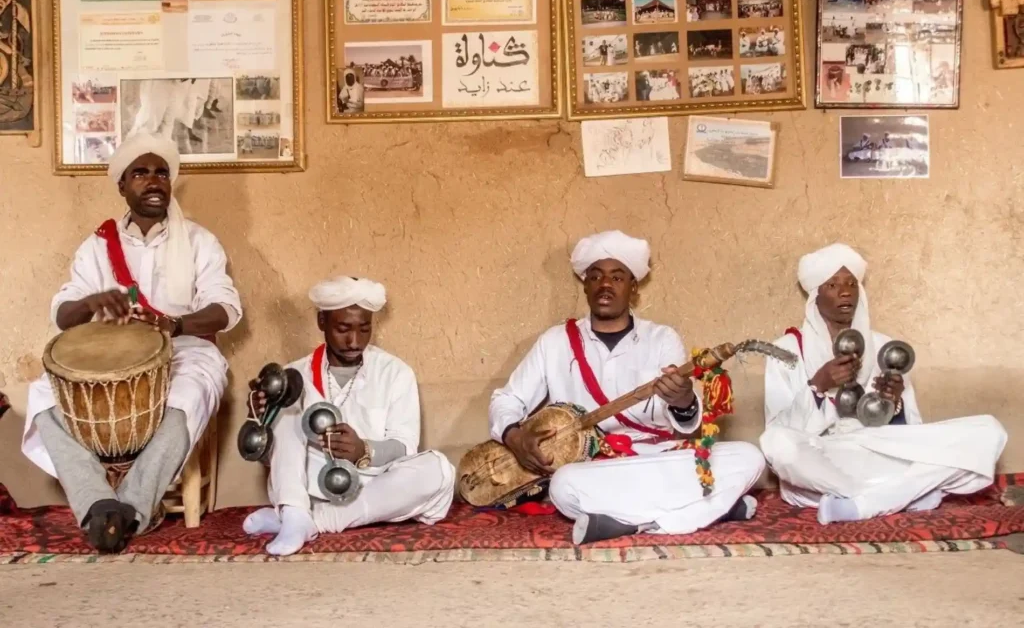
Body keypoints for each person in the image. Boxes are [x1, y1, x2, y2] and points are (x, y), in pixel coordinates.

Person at [21, 134, 242, 552]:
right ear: (122, 186)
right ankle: (99, 503)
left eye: (162, 172)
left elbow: (226, 308)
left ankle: (131, 509)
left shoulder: (198, 241)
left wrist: (172, 325)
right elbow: (62, 314)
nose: (153, 181)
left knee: (186, 396)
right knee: (41, 397)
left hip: (186, 351)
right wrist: (89, 303)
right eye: (140, 173)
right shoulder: (96, 246)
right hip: (111, 359)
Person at [489, 231, 765, 545]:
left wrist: (684, 399)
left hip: (657, 457)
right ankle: (712, 507)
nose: (605, 284)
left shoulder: (662, 338)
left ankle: (633, 524)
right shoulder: (555, 342)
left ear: (633, 288)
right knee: (564, 486)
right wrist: (514, 435)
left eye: (617, 277)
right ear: (586, 286)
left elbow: (687, 419)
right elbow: (507, 399)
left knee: (749, 456)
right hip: (595, 467)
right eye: (596, 276)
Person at [761, 243, 1007, 524]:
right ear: (815, 297)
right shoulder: (786, 351)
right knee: (777, 444)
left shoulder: (884, 347)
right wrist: (818, 384)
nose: (845, 292)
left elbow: (911, 432)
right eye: (832, 284)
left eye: (852, 284)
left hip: (877, 451)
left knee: (989, 432)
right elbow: (777, 432)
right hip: (825, 458)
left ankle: (865, 503)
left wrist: (896, 404)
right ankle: (902, 497)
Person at [243, 276, 456, 556]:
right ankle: (294, 511)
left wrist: (363, 450)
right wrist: (261, 420)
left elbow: (404, 446)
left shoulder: (395, 372)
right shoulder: (294, 375)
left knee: (438, 470)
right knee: (287, 404)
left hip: (377, 485)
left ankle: (306, 521)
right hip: (310, 483)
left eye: (364, 329)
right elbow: (271, 457)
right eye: (343, 329)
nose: (355, 341)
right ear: (322, 322)